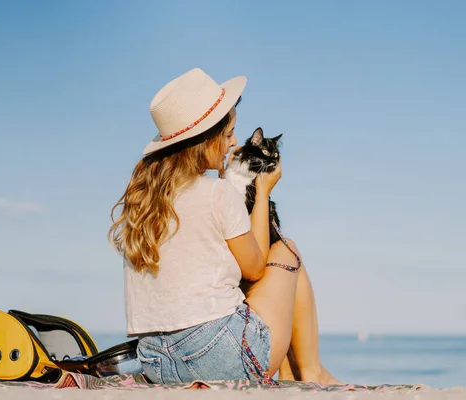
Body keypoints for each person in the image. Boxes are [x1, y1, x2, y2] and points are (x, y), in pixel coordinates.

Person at [108, 68, 340, 385]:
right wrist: (262, 191)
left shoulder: (142, 201)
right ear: (207, 140)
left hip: (156, 361)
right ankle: (312, 370)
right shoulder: (217, 192)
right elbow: (255, 268)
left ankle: (294, 372)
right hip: (218, 356)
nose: (233, 142)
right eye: (229, 132)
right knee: (286, 250)